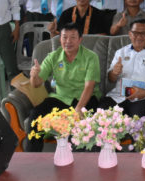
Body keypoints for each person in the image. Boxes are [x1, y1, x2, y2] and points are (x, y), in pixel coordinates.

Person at [27, 23, 101, 152]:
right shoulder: (53, 56)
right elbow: (36, 83)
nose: (68, 41)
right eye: (64, 37)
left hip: (85, 99)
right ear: (59, 38)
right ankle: (32, 156)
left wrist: (78, 109)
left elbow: (89, 86)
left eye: (72, 37)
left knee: (83, 126)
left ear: (80, 40)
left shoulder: (91, 57)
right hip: (61, 98)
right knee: (35, 114)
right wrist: (34, 75)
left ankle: (80, 161)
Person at [100, 19, 145, 116]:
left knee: (138, 122)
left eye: (144, 33)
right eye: (135, 33)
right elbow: (111, 78)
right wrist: (114, 73)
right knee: (101, 116)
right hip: (118, 96)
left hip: (142, 97)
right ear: (130, 34)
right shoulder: (121, 52)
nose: (139, 37)